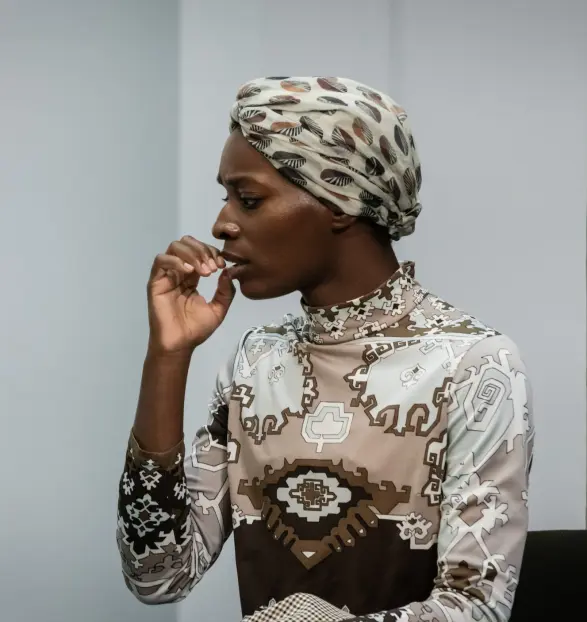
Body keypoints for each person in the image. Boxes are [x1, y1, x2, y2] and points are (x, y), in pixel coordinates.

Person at [116, 77, 535, 622]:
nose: (222, 224)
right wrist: (167, 358)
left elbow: (474, 608)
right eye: (226, 198)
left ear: (339, 200)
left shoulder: (473, 366)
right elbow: (158, 574)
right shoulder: (254, 362)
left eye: (249, 199)